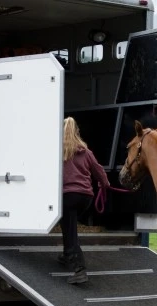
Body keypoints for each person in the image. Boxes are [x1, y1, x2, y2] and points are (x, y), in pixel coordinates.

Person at [59, 117, 110, 284]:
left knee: (70, 230)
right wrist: (105, 184)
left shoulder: (58, 151)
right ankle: (67, 255)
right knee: (69, 224)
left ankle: (79, 268)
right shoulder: (86, 152)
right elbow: (99, 171)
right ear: (76, 132)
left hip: (67, 196)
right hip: (85, 198)